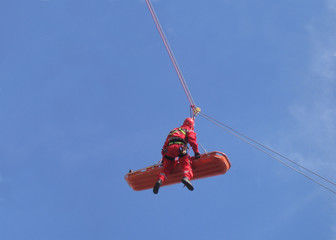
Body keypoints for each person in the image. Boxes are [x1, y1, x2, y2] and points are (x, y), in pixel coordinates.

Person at [153, 118, 201, 194]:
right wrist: (196, 152)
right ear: (191, 125)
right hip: (180, 148)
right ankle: (186, 177)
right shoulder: (188, 129)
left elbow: (165, 145)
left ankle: (160, 180)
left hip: (169, 149)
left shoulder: (174, 130)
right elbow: (193, 141)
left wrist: (163, 159)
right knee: (186, 164)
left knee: (166, 168)